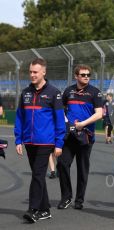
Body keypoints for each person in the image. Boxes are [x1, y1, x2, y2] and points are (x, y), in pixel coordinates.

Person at [14, 58, 66, 223]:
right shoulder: (25, 93)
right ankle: (45, 209)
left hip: (46, 142)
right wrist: (18, 139)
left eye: (35, 72)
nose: (32, 75)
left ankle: (33, 209)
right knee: (39, 176)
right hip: (29, 142)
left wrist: (59, 143)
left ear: (44, 72)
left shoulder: (54, 93)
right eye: (30, 72)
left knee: (37, 174)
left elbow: (59, 120)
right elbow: (20, 117)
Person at [56, 64, 103, 210]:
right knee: (62, 164)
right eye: (83, 75)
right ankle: (66, 197)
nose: (86, 77)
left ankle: (79, 199)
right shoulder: (68, 91)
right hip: (69, 136)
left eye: (88, 75)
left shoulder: (95, 92)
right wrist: (66, 122)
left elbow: (99, 113)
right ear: (76, 76)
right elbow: (60, 109)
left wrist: (83, 124)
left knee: (82, 169)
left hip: (85, 136)